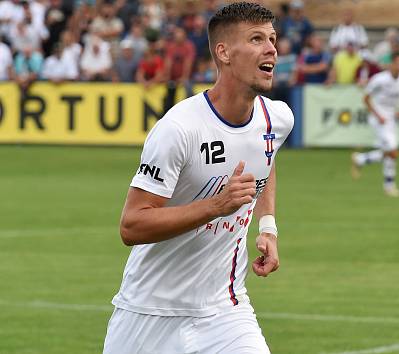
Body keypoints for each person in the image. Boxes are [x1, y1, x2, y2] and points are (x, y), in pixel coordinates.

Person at [103, 3, 294, 354]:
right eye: (256, 39)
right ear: (223, 53)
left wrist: (268, 226)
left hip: (227, 312)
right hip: (149, 314)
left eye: (272, 38)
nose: (271, 49)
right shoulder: (178, 129)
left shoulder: (277, 119)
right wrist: (217, 205)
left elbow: (266, 157)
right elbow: (132, 225)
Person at [351, 52, 399, 197]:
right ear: (391, 64)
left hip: (391, 119)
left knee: (389, 152)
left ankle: (361, 159)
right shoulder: (379, 79)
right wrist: (378, 115)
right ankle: (389, 185)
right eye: (398, 63)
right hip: (378, 118)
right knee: (392, 150)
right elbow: (366, 98)